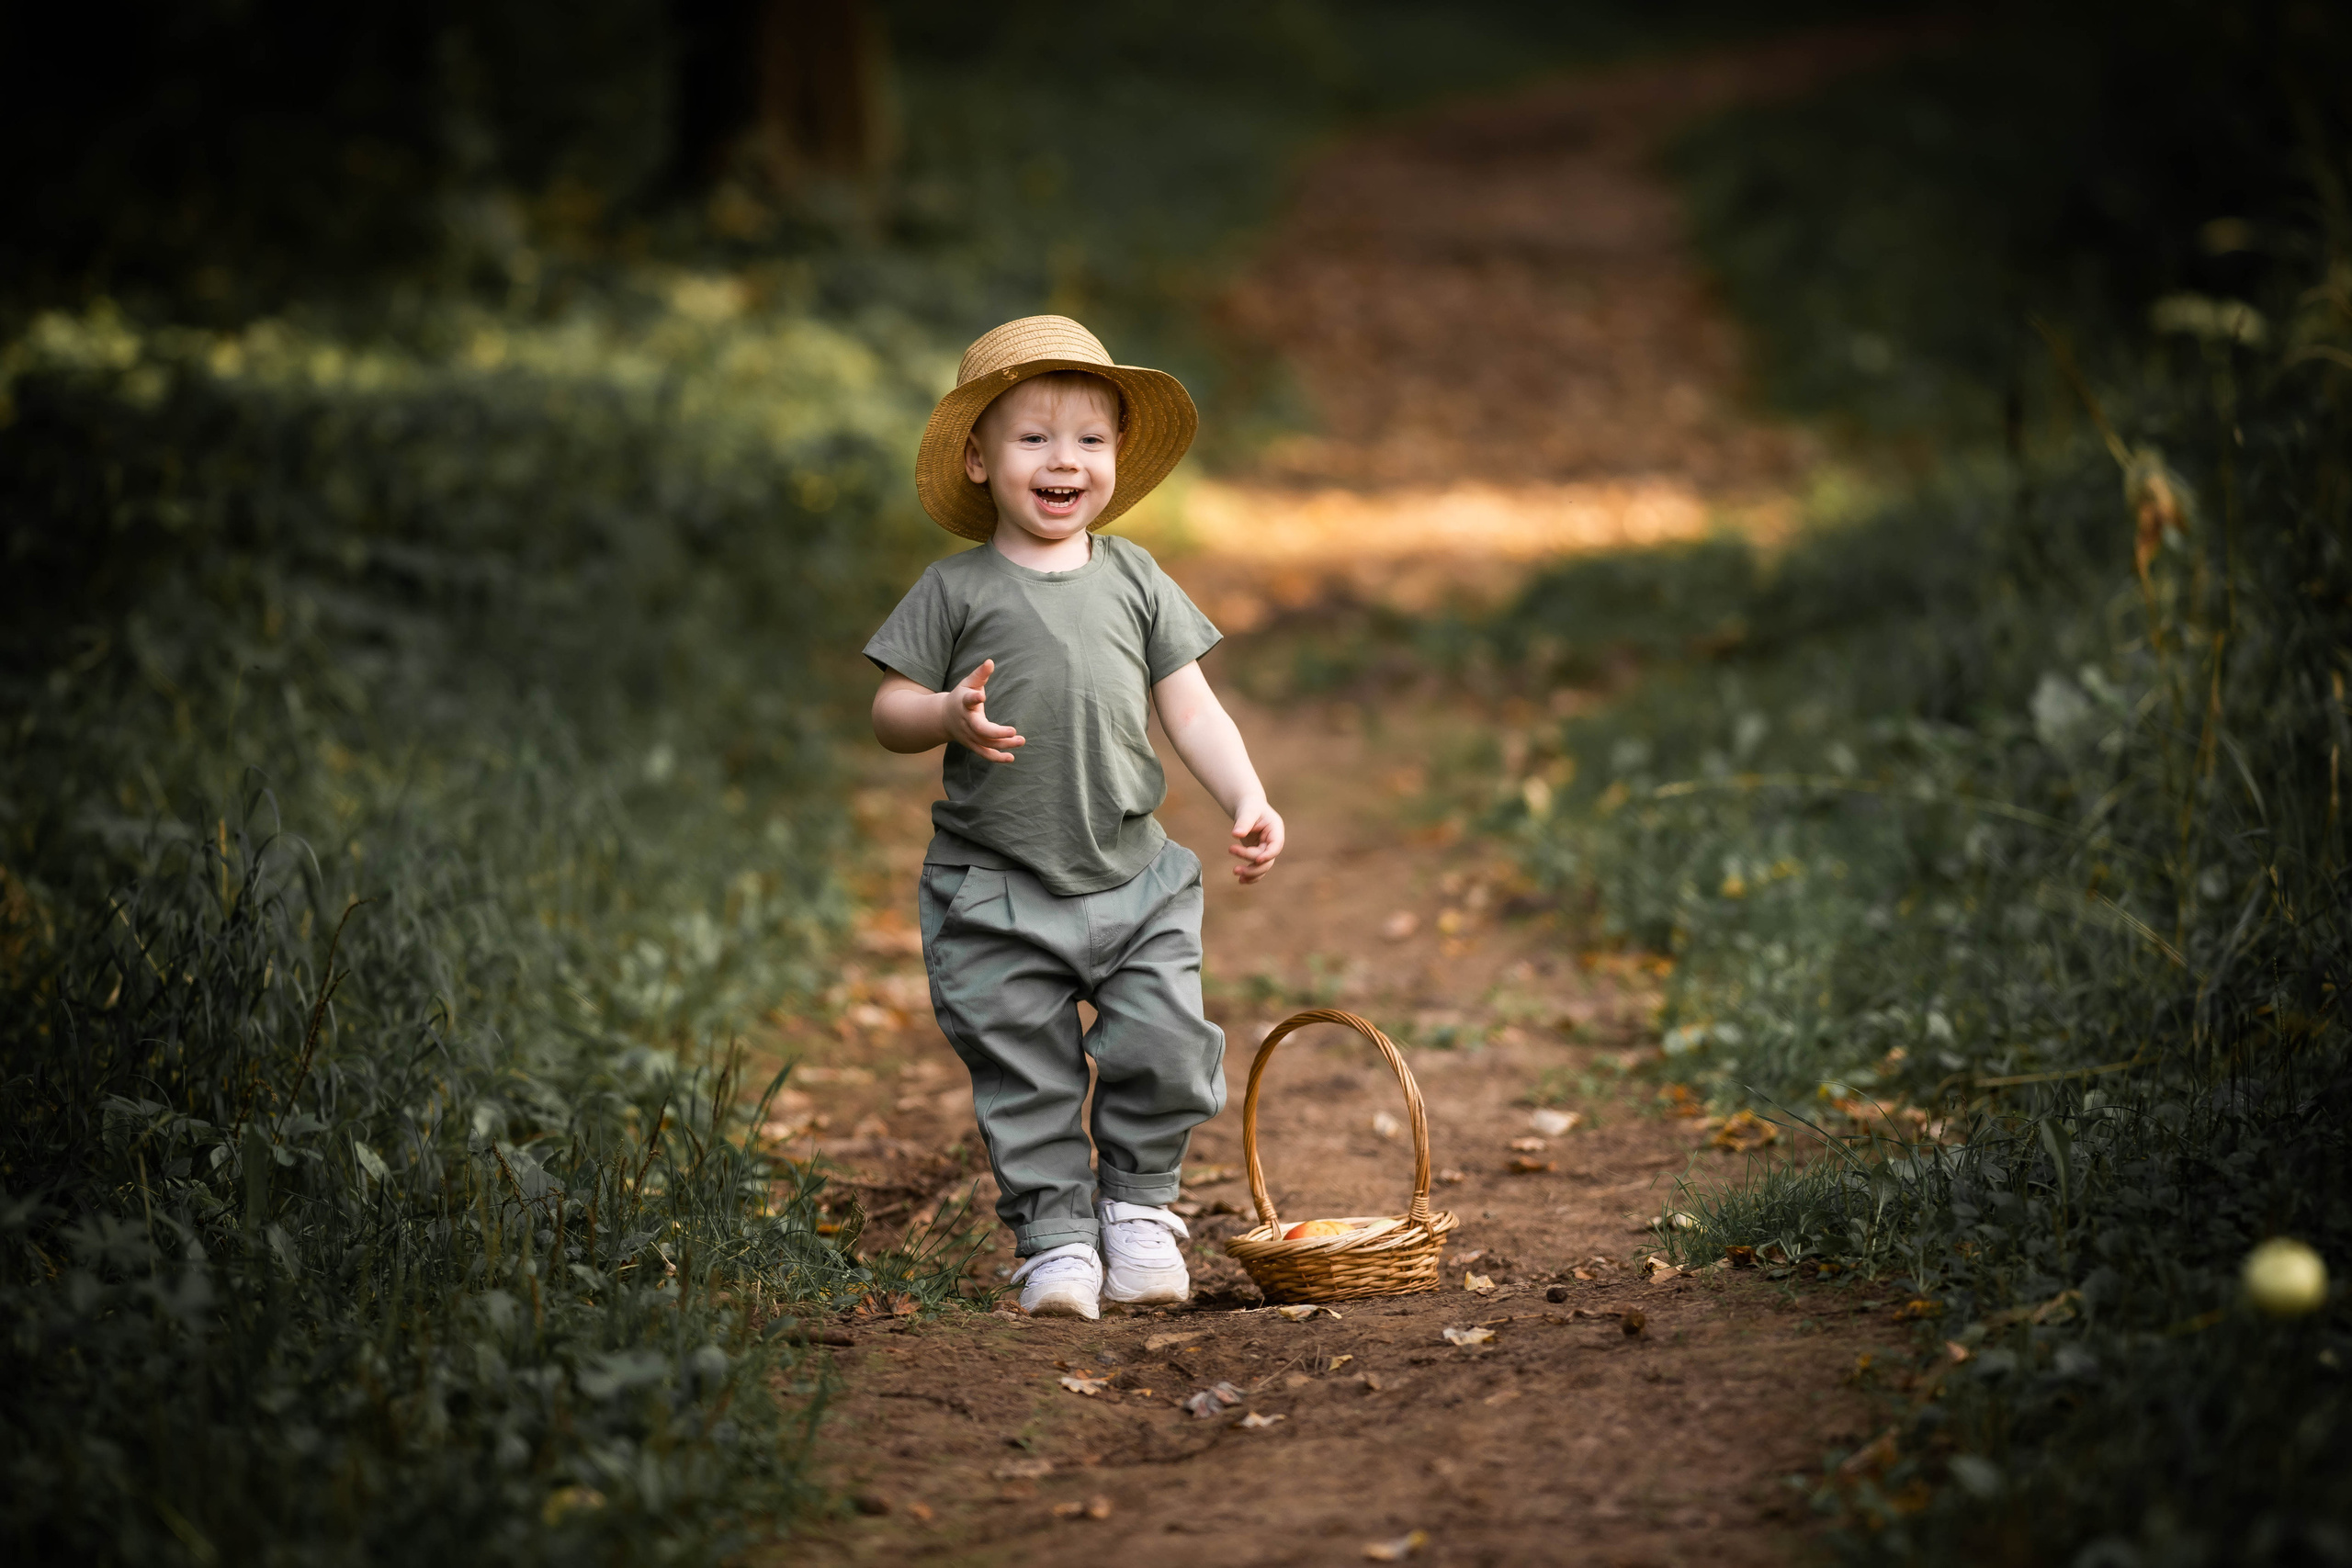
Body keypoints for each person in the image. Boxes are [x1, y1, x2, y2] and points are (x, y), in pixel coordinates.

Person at [864, 316, 1283, 1318]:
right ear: (978, 459)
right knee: (1025, 1069)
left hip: (1134, 877)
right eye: (1034, 438)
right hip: (996, 887)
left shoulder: (1134, 576)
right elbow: (886, 713)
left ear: (1115, 460)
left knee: (1168, 1047)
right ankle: (1054, 1235)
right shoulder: (953, 588)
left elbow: (1189, 704)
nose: (1066, 461)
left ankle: (1138, 1210)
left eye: (1090, 440)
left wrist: (1246, 793)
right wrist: (942, 715)